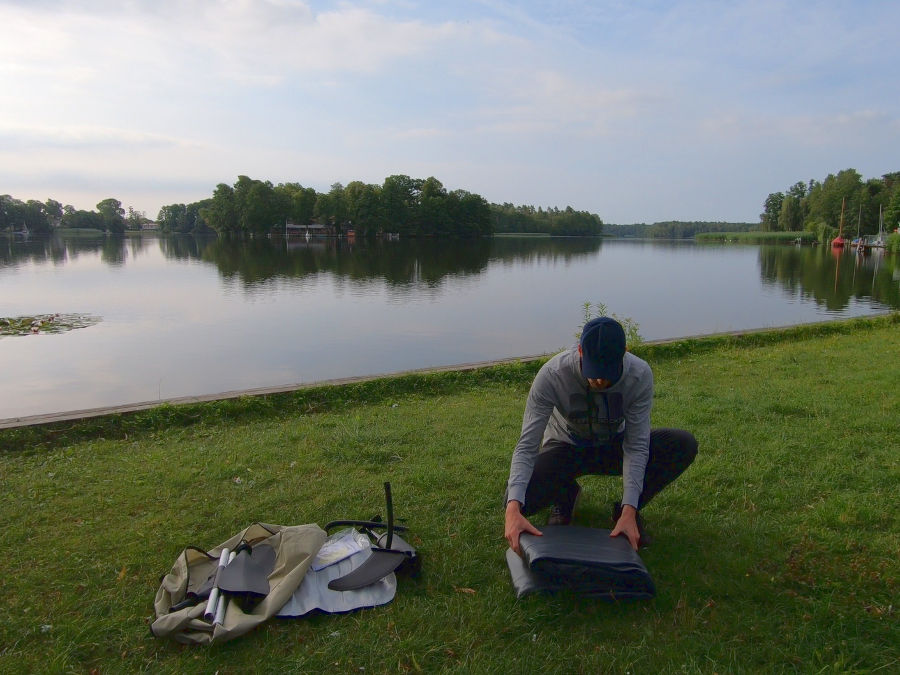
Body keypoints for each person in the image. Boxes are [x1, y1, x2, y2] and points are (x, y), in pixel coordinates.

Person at [504, 317, 697, 554]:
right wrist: (513, 509)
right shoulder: (553, 374)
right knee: (517, 500)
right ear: (580, 351)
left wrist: (630, 508)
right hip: (565, 448)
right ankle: (566, 494)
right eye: (593, 370)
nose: (599, 380)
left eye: (608, 372)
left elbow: (636, 446)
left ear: (624, 353)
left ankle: (626, 514)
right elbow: (527, 444)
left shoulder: (639, 375)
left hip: (612, 445)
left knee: (682, 444)